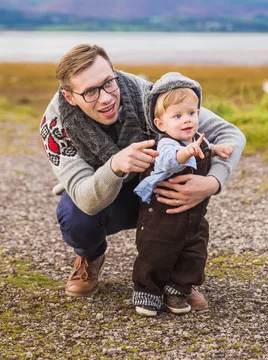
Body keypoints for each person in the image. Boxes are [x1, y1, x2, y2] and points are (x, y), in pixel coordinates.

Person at [40, 44, 246, 308]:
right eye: (90, 91)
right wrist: (114, 166)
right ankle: (90, 256)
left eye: (108, 83)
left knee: (179, 195)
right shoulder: (55, 127)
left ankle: (177, 281)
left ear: (114, 73)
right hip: (104, 196)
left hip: (155, 191)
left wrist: (213, 182)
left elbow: (231, 135)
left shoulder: (147, 95)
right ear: (70, 97)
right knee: (76, 218)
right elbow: (85, 197)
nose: (105, 98)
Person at [132, 72, 234, 316]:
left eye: (191, 113)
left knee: (194, 252)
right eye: (177, 116)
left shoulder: (196, 139)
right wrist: (186, 153)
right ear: (161, 124)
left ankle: (177, 289)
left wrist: (217, 149)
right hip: (162, 215)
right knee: (156, 251)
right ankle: (147, 291)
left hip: (194, 214)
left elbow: (205, 149)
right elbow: (168, 161)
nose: (186, 120)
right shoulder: (167, 143)